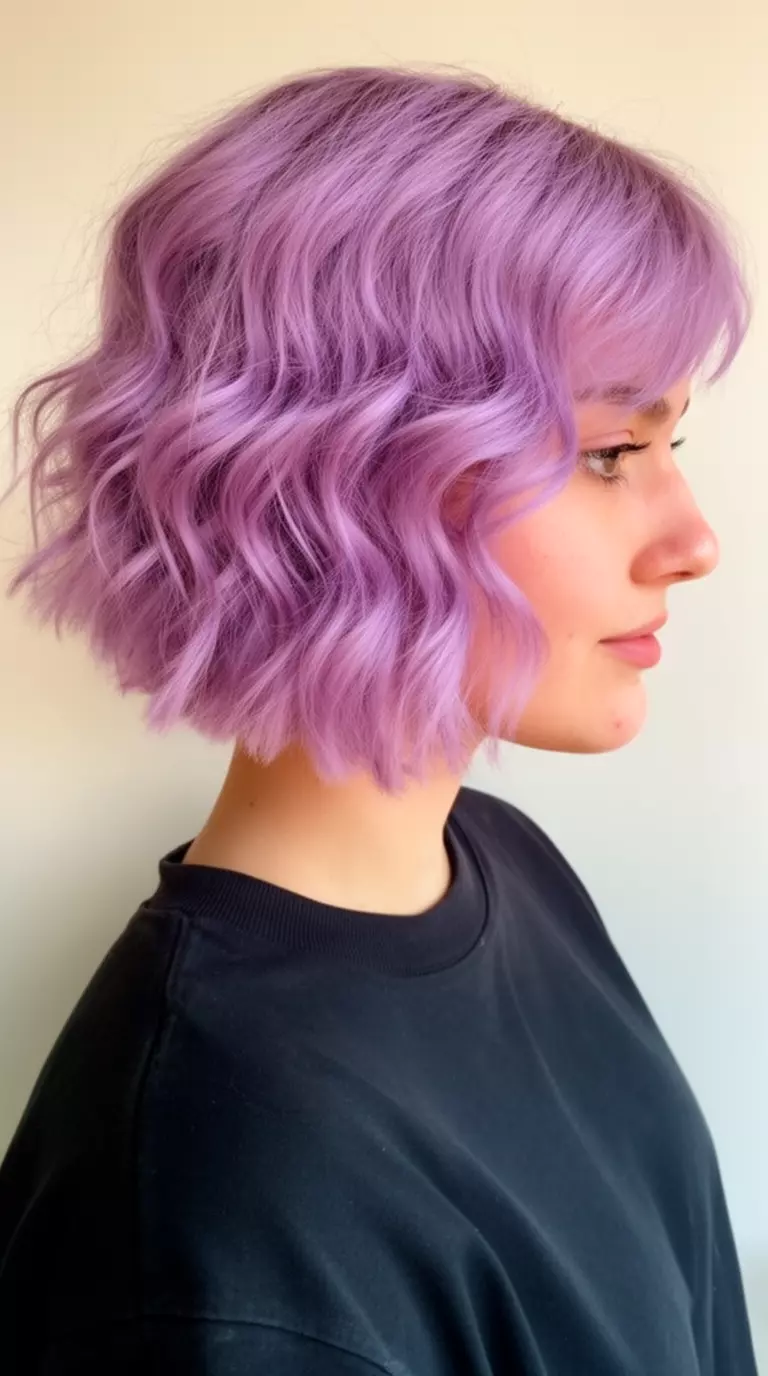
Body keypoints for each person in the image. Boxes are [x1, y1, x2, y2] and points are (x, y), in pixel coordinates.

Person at [0, 62, 758, 1375]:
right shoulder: (222, 1196)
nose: (695, 541)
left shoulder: (506, 865)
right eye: (608, 453)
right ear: (338, 480)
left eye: (673, 446)